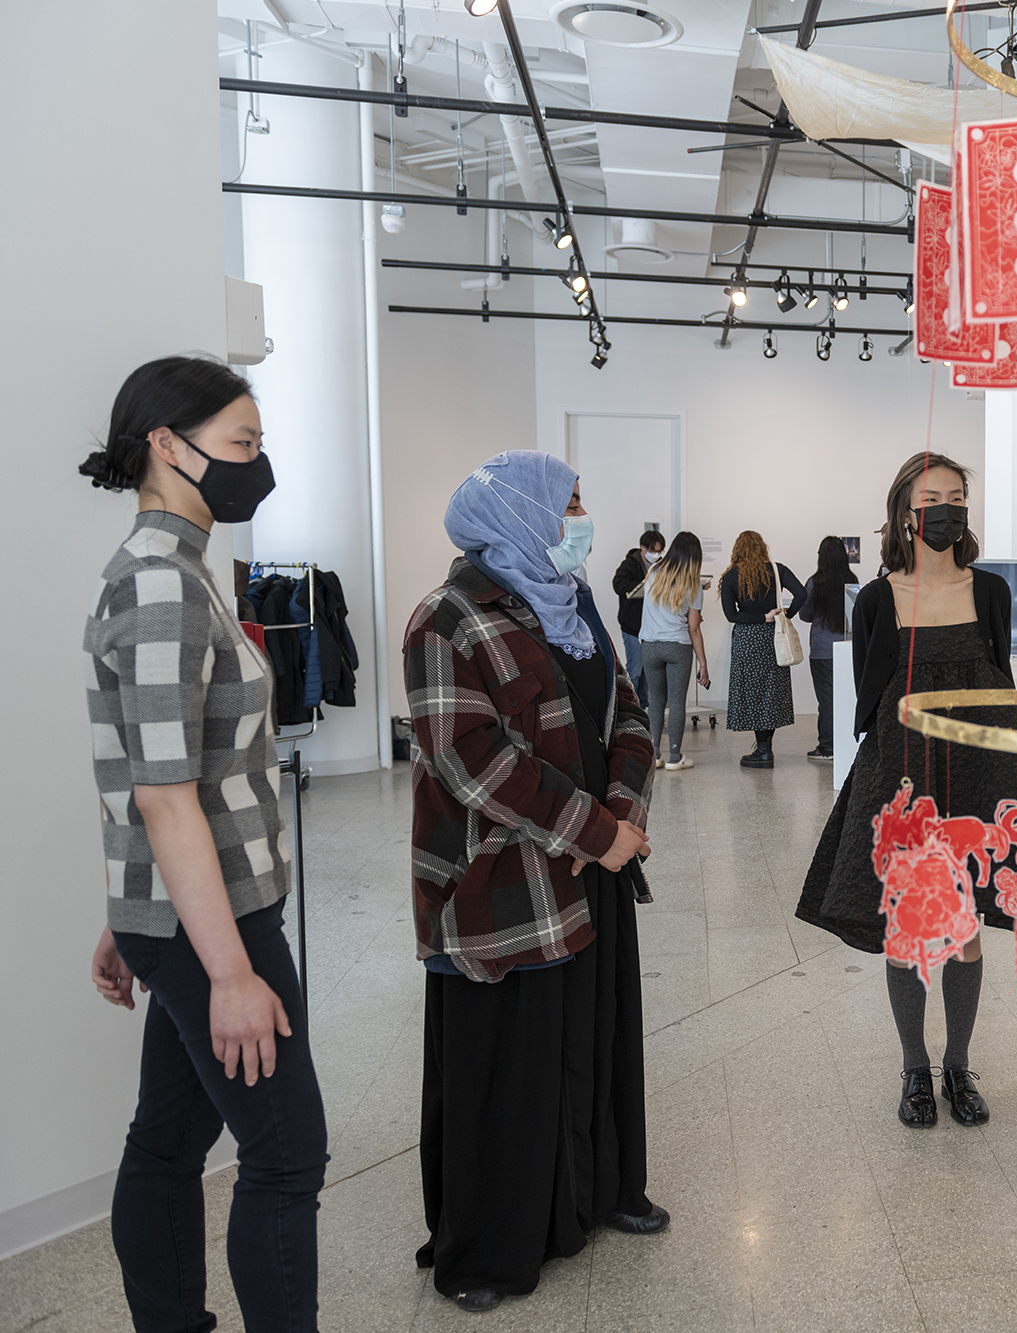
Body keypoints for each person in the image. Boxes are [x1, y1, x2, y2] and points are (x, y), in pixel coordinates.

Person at [78, 356, 328, 1331]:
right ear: (166, 447)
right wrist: (223, 969)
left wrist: (135, 917)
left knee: (168, 1142)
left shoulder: (182, 570)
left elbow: (152, 763)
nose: (254, 465)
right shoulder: (159, 585)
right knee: (284, 1154)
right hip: (212, 919)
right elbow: (166, 796)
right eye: (240, 445)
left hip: (183, 912)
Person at [403, 450, 667, 1313]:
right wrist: (597, 833)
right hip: (502, 883)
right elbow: (474, 762)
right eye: (570, 505)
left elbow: (625, 709)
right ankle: (489, 1247)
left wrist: (621, 817)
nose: (580, 521)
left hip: (596, 869)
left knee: (593, 1037)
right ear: (518, 517)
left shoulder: (574, 605)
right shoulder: (446, 619)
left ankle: (599, 1196)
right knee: (506, 1064)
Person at [796, 453, 1017, 1129]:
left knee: (965, 930)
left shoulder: (991, 594)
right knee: (906, 927)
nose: (947, 508)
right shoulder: (877, 598)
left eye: (958, 496)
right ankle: (914, 1071)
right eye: (934, 497)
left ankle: (957, 1065)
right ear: (906, 511)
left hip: (979, 776)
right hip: (903, 781)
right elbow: (871, 699)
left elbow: (1001, 680)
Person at [716, 531, 806, 769]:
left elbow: (731, 615)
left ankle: (764, 751)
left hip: (747, 639)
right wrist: (785, 615)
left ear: (738, 550)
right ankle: (766, 749)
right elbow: (802, 594)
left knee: (753, 692)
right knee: (770, 692)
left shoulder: (731, 577)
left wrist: (760, 617)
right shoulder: (777, 570)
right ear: (762, 548)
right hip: (773, 637)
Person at [639, 530, 711, 771]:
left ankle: (655, 755)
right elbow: (694, 629)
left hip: (649, 646)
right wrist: (703, 662)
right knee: (677, 703)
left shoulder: (653, 573)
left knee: (656, 700)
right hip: (677, 647)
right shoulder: (693, 584)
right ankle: (674, 758)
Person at [795, 534, 859, 761]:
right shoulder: (852, 580)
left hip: (822, 650)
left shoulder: (814, 583)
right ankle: (848, 743)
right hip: (848, 649)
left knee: (826, 700)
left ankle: (827, 747)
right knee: (848, 698)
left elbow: (805, 614)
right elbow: (855, 616)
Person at [611, 529, 665, 713]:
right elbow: (618, 584)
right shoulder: (630, 564)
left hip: (652, 627)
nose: (656, 555)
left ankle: (644, 707)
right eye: (653, 551)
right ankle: (630, 708)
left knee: (649, 672)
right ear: (643, 548)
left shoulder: (660, 565)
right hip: (632, 626)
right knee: (634, 670)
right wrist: (641, 586)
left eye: (659, 551)